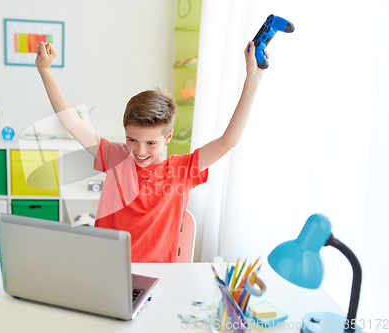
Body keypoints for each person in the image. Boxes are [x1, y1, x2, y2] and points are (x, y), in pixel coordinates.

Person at [35, 40, 267, 262]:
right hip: (107, 266)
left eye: (151, 143)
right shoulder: (117, 157)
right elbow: (72, 122)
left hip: (158, 275)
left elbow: (229, 141)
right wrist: (45, 70)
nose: (140, 151)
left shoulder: (182, 170)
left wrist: (253, 79)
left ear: (168, 137)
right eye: (132, 140)